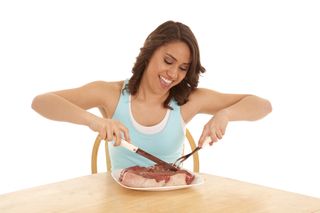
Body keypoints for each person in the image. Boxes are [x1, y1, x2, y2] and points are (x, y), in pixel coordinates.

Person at [32, 20, 272, 170]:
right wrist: (95, 121)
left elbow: (263, 106)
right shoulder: (110, 94)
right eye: (168, 61)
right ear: (149, 51)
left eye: (182, 68)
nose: (173, 74)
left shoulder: (187, 101)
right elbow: (41, 102)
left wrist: (225, 114)